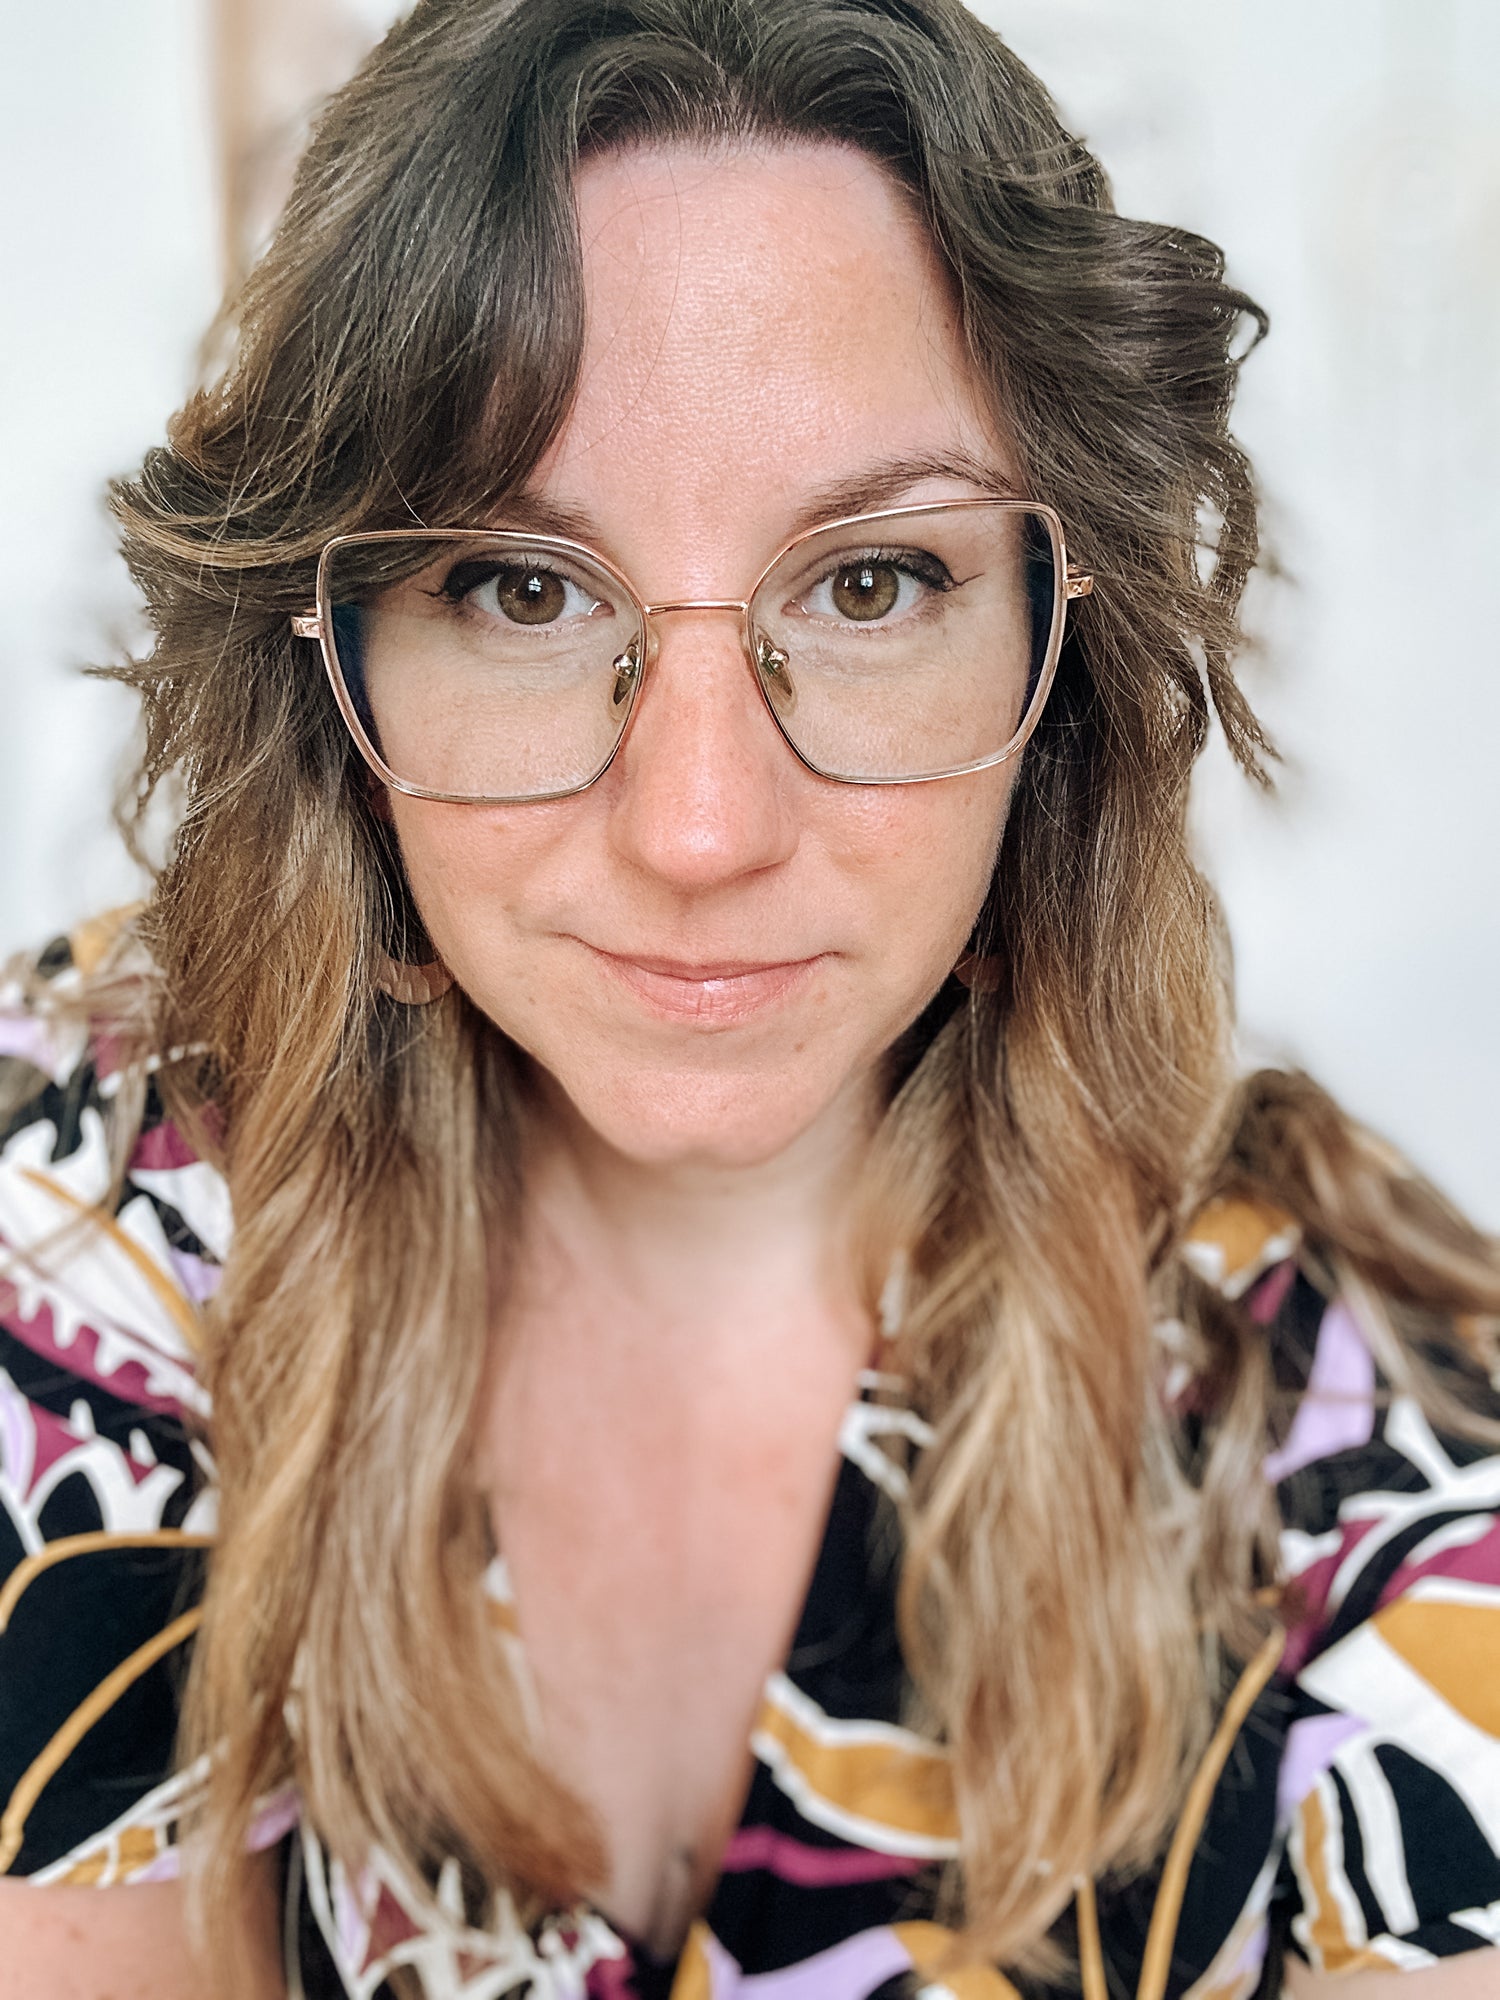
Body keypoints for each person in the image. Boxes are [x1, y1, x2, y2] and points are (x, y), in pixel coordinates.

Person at [2, 1, 1498, 1995]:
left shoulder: (1369, 1431)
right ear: (328, 650)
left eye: (870, 584)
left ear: (1062, 647)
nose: (700, 828)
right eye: (523, 588)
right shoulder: (78, 1218)